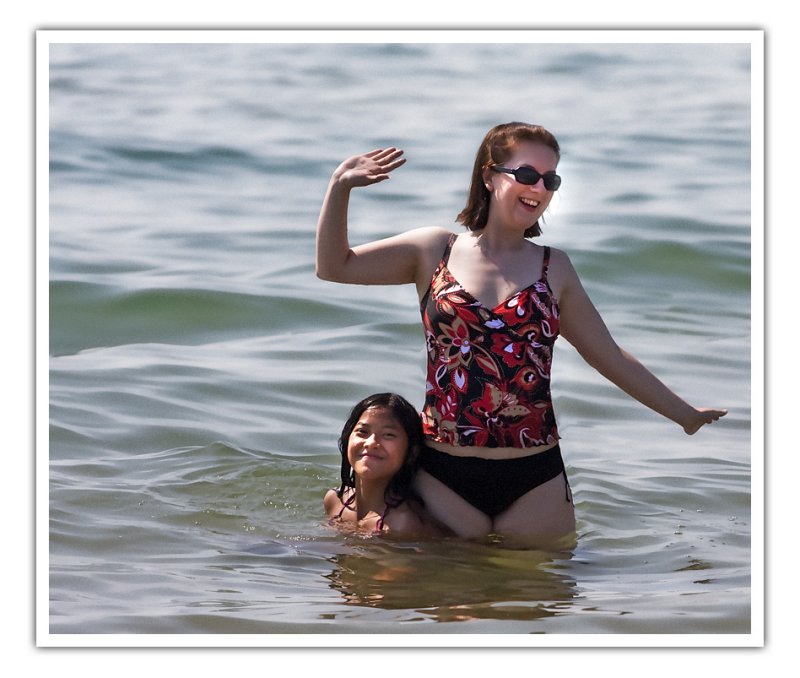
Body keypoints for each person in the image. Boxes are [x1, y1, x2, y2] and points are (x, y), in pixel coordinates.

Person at [316, 122, 727, 543]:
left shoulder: (556, 268)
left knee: (541, 599)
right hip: (443, 472)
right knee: (447, 599)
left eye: (551, 179)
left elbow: (608, 355)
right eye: (527, 174)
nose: (540, 187)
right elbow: (335, 267)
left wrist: (684, 415)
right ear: (490, 176)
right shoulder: (433, 251)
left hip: (535, 476)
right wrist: (340, 187)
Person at [324, 392, 446, 538]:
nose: (370, 443)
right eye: (362, 432)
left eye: (388, 435)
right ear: (347, 438)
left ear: (412, 451)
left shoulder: (401, 524)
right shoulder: (334, 501)